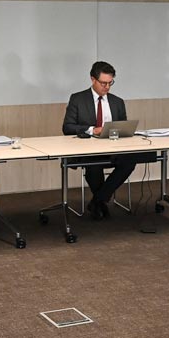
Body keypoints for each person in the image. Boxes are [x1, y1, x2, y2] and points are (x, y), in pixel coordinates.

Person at [62, 61, 154, 220]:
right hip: (87, 150)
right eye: (103, 83)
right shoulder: (78, 99)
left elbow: (123, 128)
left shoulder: (117, 102)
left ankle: (98, 201)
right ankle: (100, 203)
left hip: (113, 148)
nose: (106, 87)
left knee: (129, 161)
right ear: (93, 79)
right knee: (94, 166)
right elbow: (67, 127)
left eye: (110, 83)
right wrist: (92, 130)